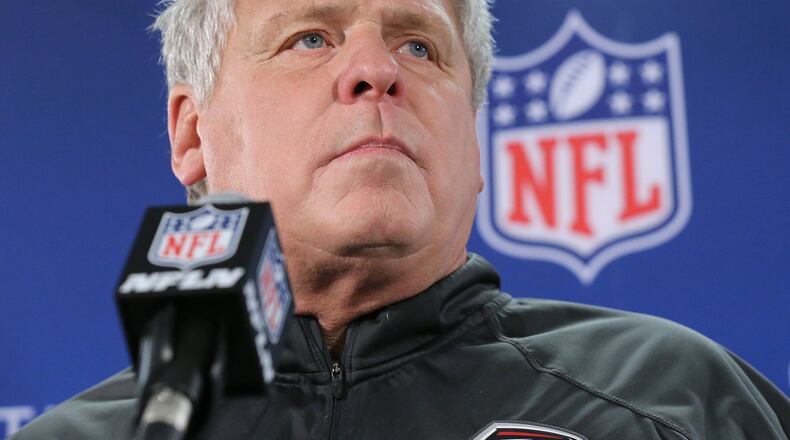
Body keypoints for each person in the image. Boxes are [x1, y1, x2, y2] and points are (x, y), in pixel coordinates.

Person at [12, 0, 790, 438]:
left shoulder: (680, 400)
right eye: (310, 37)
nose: (376, 71)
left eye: (419, 47)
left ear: (474, 145)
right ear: (192, 135)